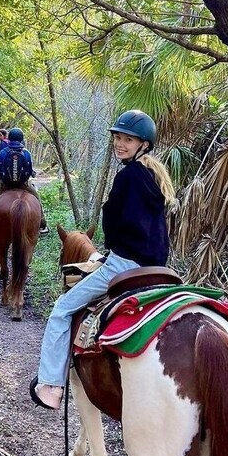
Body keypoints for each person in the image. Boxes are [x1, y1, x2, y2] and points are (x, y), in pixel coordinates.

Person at [30, 109, 175, 410]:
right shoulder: (154, 176)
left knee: (62, 309)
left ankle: (50, 385)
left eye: (128, 140)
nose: (120, 144)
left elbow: (121, 226)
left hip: (125, 265)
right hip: (160, 269)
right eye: (118, 138)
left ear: (143, 145)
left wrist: (114, 252)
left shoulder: (127, 177)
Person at [0, 127, 49, 234]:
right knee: (37, 199)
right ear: (21, 139)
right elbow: (29, 171)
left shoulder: (3, 152)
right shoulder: (26, 153)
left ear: (9, 138)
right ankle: (43, 225)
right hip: (23, 184)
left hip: (5, 184)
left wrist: (3, 180)